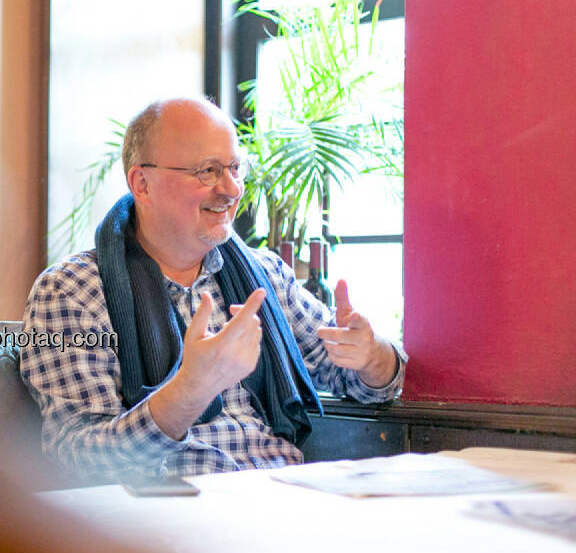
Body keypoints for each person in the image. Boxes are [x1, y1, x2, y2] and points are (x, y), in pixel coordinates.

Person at [20, 96, 405, 484]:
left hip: (283, 499)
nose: (231, 188)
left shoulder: (264, 275)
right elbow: (79, 457)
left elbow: (362, 384)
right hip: (167, 520)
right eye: (207, 171)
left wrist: (372, 357)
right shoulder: (72, 291)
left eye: (235, 168)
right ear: (142, 183)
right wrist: (189, 390)